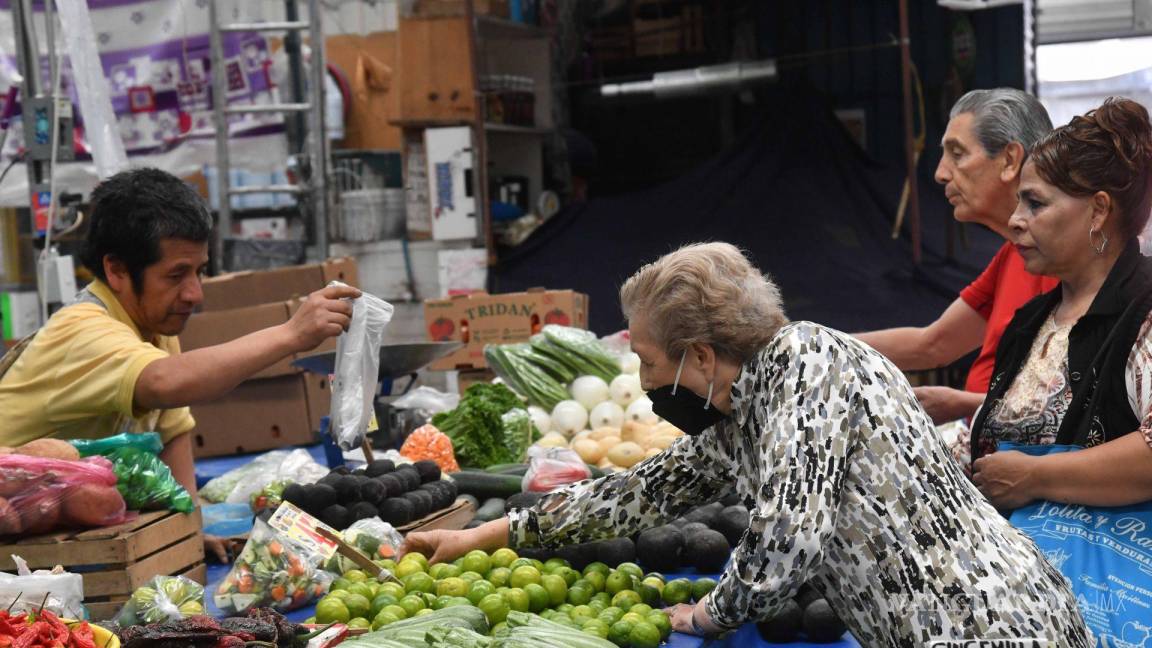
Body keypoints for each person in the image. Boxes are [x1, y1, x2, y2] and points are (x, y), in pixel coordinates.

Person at [401, 242, 1091, 646]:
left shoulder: (808, 363)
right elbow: (638, 492)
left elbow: (787, 534)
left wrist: (713, 611)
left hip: (990, 625)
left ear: (700, 356)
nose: (643, 381)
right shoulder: (749, 408)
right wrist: (487, 537)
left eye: (645, 359)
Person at [0, 168, 359, 503]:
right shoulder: (82, 330)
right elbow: (164, 382)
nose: (194, 294)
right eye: (176, 275)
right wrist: (291, 334)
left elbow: (173, 433)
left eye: (199, 272)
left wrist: (188, 532)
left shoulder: (152, 326)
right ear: (117, 269)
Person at [966, 97, 1152, 510]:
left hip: (1103, 565)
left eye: (1035, 203)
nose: (1015, 219)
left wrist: (1035, 477)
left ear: (1098, 210)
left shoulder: (1143, 307)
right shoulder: (1032, 321)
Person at [857, 89, 1058, 425]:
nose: (940, 173)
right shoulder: (1011, 257)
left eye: (957, 154)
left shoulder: (1066, 264)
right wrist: (815, 342)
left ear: (1009, 160)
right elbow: (933, 344)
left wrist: (965, 404)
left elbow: (1067, 403)